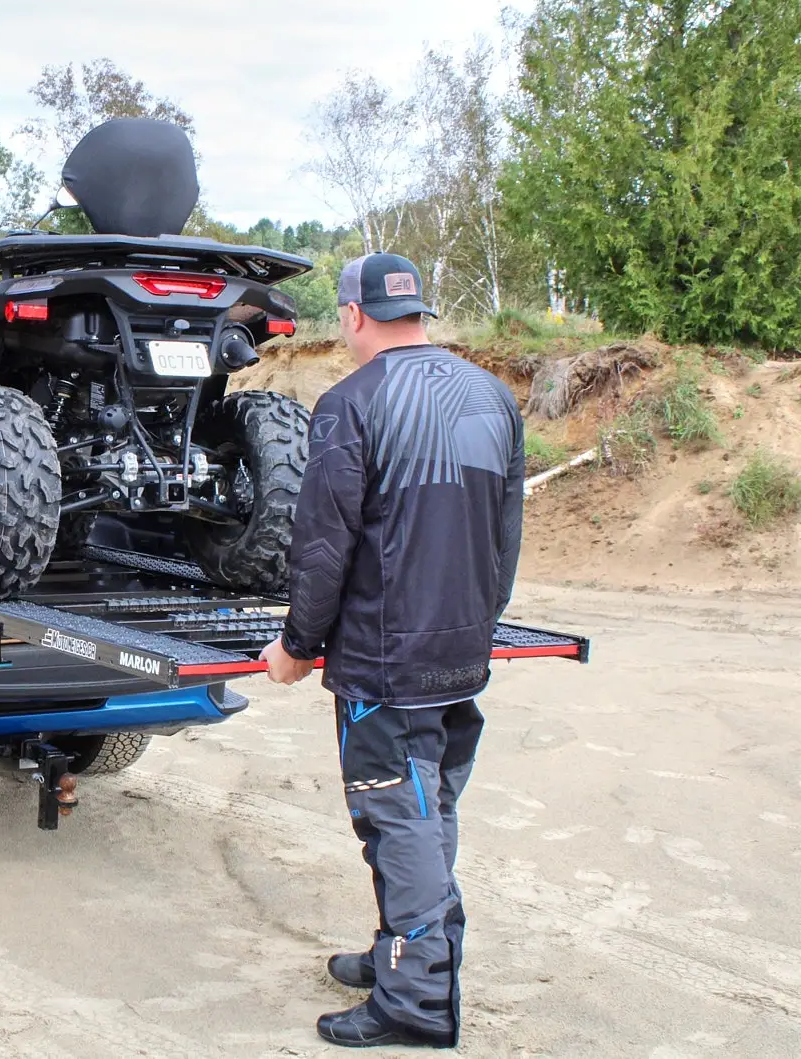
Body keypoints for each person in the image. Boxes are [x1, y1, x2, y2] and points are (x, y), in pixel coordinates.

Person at [259, 253, 524, 1049]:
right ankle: (401, 953)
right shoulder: (493, 396)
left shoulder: (350, 405)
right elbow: (505, 540)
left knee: (396, 815)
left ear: (350, 315)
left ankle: (416, 1001)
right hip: (460, 651)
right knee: (429, 805)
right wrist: (478, 621)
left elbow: (321, 549)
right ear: (419, 310)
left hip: (385, 659)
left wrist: (297, 644)